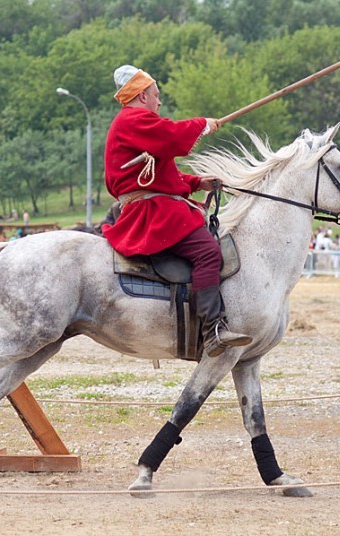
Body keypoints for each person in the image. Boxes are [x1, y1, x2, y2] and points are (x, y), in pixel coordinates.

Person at [102, 64, 252, 358]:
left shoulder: (136, 124)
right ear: (143, 95)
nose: (159, 102)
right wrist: (202, 124)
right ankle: (213, 329)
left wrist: (199, 182)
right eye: (156, 96)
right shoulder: (133, 119)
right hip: (149, 211)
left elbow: (162, 176)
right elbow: (171, 136)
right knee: (208, 251)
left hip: (155, 203)